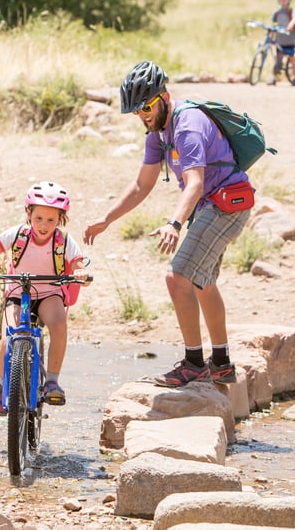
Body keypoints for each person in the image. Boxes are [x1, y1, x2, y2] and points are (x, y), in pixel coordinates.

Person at [83, 61, 246, 388]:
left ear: (164, 97)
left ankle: (194, 362)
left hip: (227, 204)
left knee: (177, 277)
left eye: (146, 106)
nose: (142, 115)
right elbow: (143, 185)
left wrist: (174, 223)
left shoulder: (187, 125)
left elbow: (195, 183)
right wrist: (106, 219)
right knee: (202, 282)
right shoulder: (157, 133)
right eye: (136, 111)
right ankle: (222, 362)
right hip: (214, 205)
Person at [0, 181, 90, 415]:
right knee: (6, 340)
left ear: (60, 219)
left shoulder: (63, 241)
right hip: (18, 292)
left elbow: (78, 264)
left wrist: (81, 272)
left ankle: (52, 380)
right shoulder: (17, 235)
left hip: (49, 292)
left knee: (59, 324)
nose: (44, 225)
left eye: (51, 220)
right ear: (28, 213)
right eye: (39, 218)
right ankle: (2, 383)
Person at [268, 0, 295, 86]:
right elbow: (273, 25)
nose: (283, 1)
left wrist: (291, 24)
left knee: (291, 56)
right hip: (280, 39)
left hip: (290, 38)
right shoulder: (276, 13)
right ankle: (273, 77)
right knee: (278, 58)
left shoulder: (292, 11)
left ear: (288, 0)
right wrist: (271, 36)